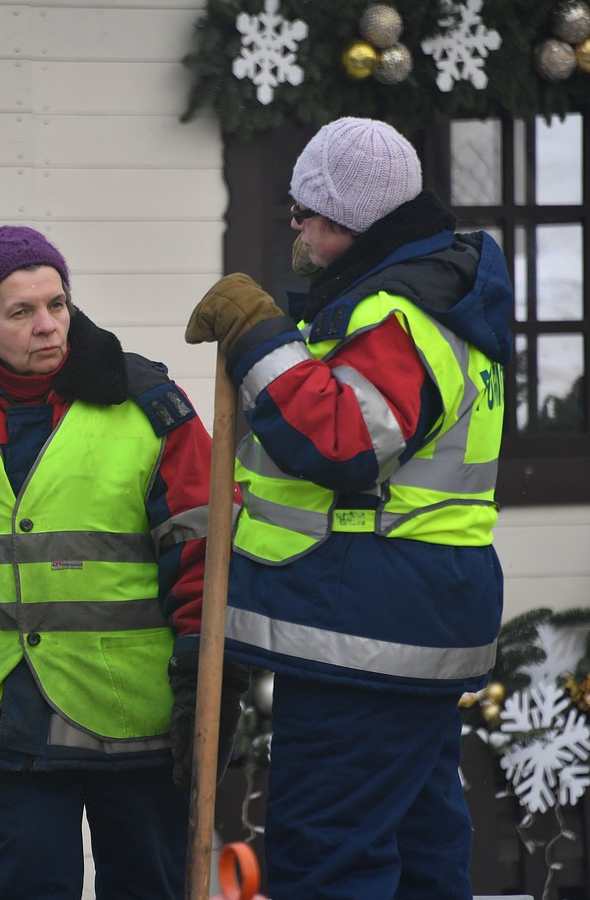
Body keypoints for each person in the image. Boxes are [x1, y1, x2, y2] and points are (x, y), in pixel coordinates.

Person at [186, 117, 513, 898]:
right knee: (419, 852)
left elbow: (344, 443)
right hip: (402, 624)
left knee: (328, 858)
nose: (294, 226)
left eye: (307, 213)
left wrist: (262, 337)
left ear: (350, 224)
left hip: (364, 635)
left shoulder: (402, 313)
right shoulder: (437, 299)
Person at [0, 225, 248, 899]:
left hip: (135, 715)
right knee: (28, 880)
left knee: (148, 883)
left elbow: (204, 550)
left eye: (58, 304)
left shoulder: (151, 411)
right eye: (22, 312)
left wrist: (202, 675)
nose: (49, 326)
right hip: (8, 712)